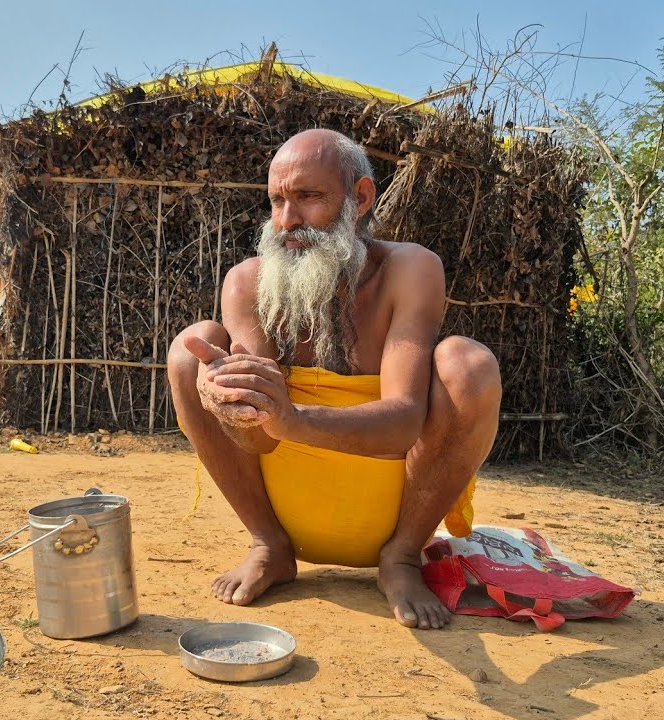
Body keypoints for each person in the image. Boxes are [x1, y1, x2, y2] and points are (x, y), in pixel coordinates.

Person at [166, 128, 502, 630]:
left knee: (467, 365)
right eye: (277, 200)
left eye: (308, 197)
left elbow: (405, 424)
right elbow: (257, 439)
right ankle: (269, 546)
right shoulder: (247, 283)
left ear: (360, 198)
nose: (287, 221)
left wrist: (292, 417)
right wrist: (230, 406)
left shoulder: (409, 269)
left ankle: (404, 559)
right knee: (189, 354)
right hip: (288, 506)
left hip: (393, 511)